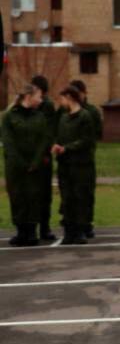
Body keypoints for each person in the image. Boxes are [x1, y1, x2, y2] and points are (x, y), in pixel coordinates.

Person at [2, 85, 52, 246]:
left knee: (33, 197)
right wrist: (21, 163)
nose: (41, 100)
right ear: (28, 96)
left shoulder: (40, 117)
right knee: (17, 197)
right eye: (38, 96)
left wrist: (35, 162)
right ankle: (21, 232)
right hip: (15, 167)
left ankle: (31, 232)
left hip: (34, 167)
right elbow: (8, 142)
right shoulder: (9, 116)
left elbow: (44, 140)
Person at [51, 86, 94, 245]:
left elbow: (86, 140)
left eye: (62, 98)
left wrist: (67, 148)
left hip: (80, 165)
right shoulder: (63, 118)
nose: (61, 102)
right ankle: (68, 232)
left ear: (69, 97)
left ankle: (80, 232)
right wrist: (57, 146)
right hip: (65, 165)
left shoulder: (85, 116)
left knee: (79, 198)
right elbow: (60, 137)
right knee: (67, 199)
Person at [69, 80, 101, 238]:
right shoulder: (66, 111)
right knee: (72, 194)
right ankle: (74, 224)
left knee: (87, 193)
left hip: (86, 159)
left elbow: (97, 133)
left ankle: (87, 224)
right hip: (70, 159)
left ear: (83, 93)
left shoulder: (91, 111)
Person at [29, 74, 56, 242]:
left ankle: (45, 228)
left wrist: (45, 153)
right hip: (30, 155)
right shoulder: (29, 104)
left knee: (44, 194)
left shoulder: (47, 106)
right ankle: (31, 228)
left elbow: (48, 132)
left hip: (44, 156)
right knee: (31, 194)